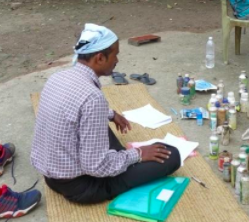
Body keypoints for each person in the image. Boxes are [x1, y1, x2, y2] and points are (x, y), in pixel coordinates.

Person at [31, 23, 181, 204]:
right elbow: (96, 166)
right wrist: (139, 153)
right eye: (115, 54)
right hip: (81, 187)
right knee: (172, 155)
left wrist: (110, 114)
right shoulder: (93, 98)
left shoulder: (58, 77)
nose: (117, 60)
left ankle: (119, 157)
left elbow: (74, 110)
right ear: (100, 58)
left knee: (99, 126)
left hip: (52, 177)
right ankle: (122, 161)